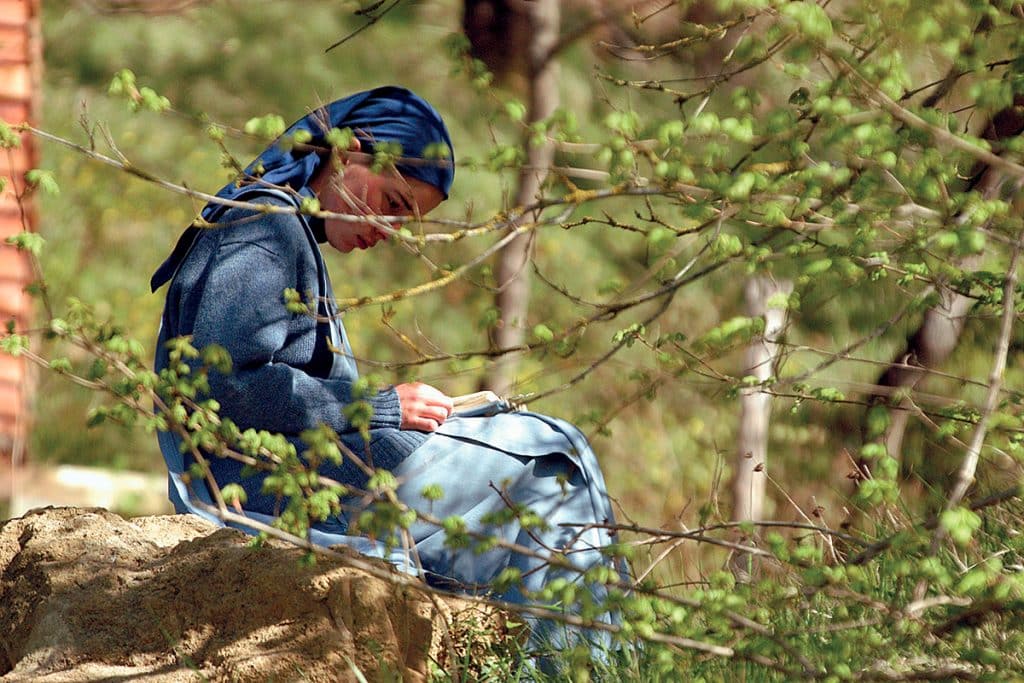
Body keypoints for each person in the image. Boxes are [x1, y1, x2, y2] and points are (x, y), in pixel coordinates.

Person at [151, 86, 626, 662]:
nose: (392, 231)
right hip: (262, 486)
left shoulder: (279, 226)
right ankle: (582, 670)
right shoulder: (265, 227)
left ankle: (572, 665)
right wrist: (380, 408)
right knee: (554, 456)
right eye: (394, 203)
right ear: (350, 152)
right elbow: (223, 387)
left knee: (548, 473)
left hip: (304, 473)